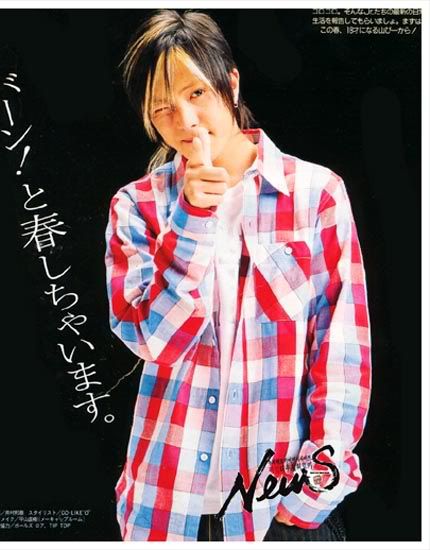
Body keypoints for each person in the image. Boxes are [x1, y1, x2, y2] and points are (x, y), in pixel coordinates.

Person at [104, 9, 371, 542]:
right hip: (165, 509)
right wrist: (190, 220)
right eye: (163, 107)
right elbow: (154, 341)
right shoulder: (136, 206)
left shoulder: (315, 194)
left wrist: (314, 491)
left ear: (230, 83)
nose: (185, 120)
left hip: (278, 508)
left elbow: (341, 348)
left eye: (196, 93)